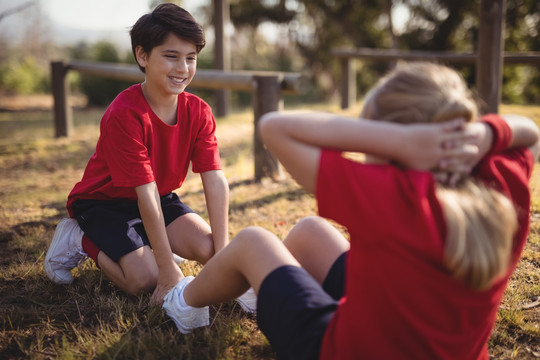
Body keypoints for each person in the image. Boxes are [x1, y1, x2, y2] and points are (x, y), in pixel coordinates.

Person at [159, 62, 540, 359]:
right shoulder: (501, 184)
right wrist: (485, 134)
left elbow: (275, 127)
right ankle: (268, 295)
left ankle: (185, 303)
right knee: (309, 230)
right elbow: (530, 133)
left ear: (396, 143)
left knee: (253, 241)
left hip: (341, 352)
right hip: (420, 337)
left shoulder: (392, 195)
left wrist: (403, 140)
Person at [44, 3, 230, 305]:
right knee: (145, 279)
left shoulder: (199, 111)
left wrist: (223, 253)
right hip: (104, 203)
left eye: (191, 58)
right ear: (142, 56)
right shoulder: (124, 114)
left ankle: (149, 243)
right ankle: (79, 238)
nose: (182, 68)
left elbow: (215, 180)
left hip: (161, 197)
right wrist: (167, 267)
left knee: (210, 249)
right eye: (171, 56)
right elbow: (144, 192)